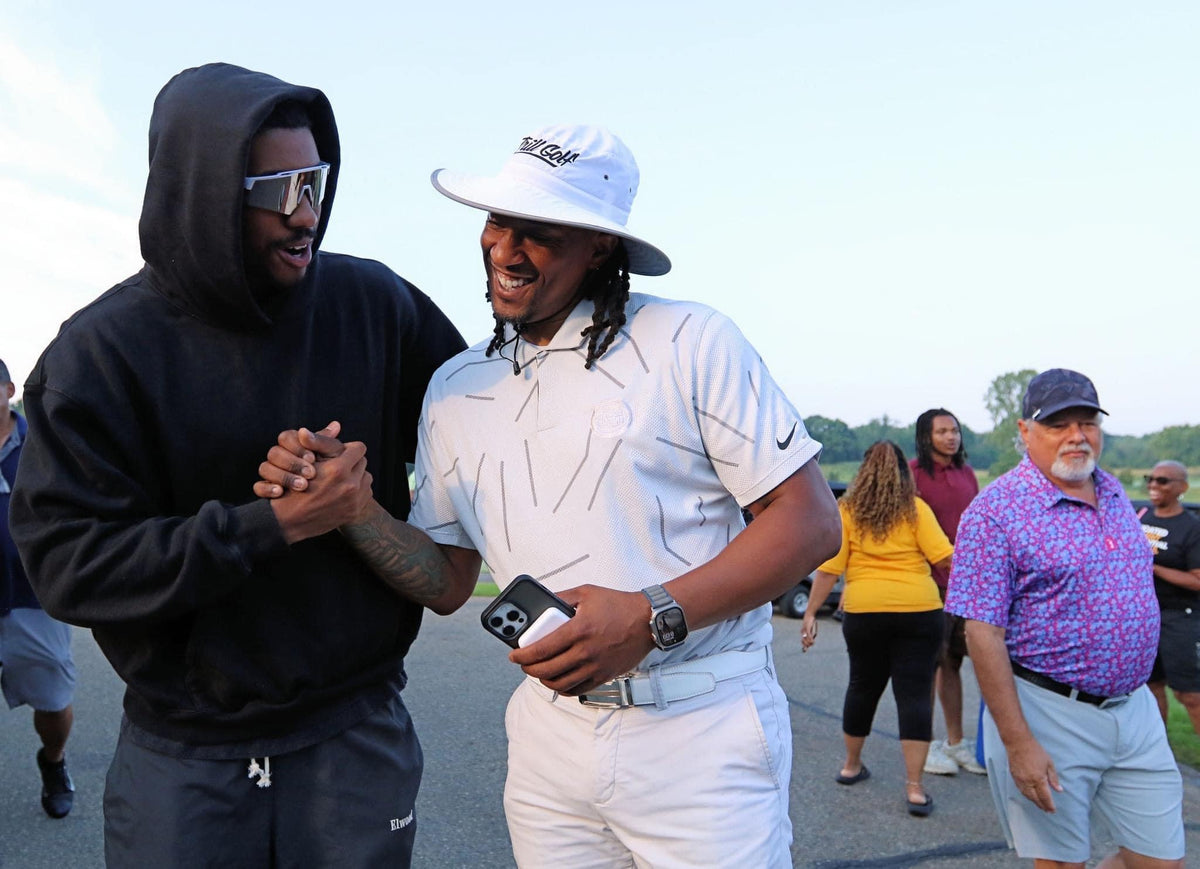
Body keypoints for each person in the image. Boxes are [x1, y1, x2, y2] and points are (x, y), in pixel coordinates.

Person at [260, 123, 841, 867]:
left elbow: (811, 522)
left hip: (700, 728)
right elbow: (447, 580)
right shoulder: (455, 385)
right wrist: (354, 510)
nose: (505, 248)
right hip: (547, 741)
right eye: (500, 221)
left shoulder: (689, 339)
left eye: (539, 231)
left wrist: (649, 614)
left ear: (599, 246)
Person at [8, 63, 467, 867]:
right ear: (201, 193)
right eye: (275, 189)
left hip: (355, 732)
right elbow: (69, 569)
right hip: (185, 754)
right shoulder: (100, 355)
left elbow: (503, 411)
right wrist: (276, 523)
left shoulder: (377, 305)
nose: (305, 214)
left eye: (314, 180)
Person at [946, 368, 1184, 868]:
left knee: (1162, 860)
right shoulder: (995, 512)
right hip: (1049, 712)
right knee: (1060, 864)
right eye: (1058, 424)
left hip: (1135, 709)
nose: (1077, 435)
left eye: (1087, 422)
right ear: (1025, 431)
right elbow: (982, 633)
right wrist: (1017, 742)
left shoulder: (1116, 493)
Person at [802, 440, 952, 817]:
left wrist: (811, 613)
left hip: (865, 611)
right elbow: (946, 559)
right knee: (915, 695)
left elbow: (830, 569)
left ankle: (851, 766)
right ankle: (915, 789)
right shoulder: (916, 510)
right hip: (919, 609)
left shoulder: (848, 510)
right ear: (904, 472)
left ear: (863, 471)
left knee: (862, 687)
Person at [1, 359, 77, 818]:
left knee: (53, 702)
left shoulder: (43, 446)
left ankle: (53, 761)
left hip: (33, 598)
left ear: (7, 388)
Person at [909, 407, 985, 776]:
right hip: (926, 583)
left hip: (966, 583)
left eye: (954, 430)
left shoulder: (966, 473)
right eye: (942, 431)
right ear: (926, 436)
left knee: (953, 662)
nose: (951, 437)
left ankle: (956, 743)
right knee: (927, 665)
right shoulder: (912, 473)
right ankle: (923, 746)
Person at [1139, 461, 1200, 734]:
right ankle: (1160, 756)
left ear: (1182, 488)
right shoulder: (1141, 518)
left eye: (1162, 480)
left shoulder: (1191, 527)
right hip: (1146, 617)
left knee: (1190, 695)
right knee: (1151, 688)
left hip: (1182, 618)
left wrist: (1154, 567)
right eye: (1150, 478)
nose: (1153, 485)